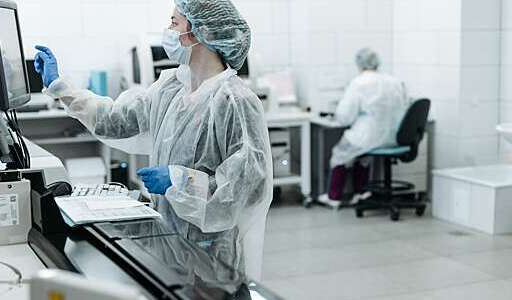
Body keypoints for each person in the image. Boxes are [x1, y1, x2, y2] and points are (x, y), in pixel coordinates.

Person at [33, 0, 273, 280]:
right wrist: (60, 87)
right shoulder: (171, 88)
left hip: (212, 257)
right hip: (167, 242)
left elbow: (248, 186)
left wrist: (180, 180)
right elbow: (115, 120)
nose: (168, 31)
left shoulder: (235, 101)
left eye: (174, 22)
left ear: (196, 32)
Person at [317, 48, 410, 209]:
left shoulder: (359, 82)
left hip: (369, 136)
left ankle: (334, 196)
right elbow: (404, 105)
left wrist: (335, 116)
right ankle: (361, 192)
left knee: (341, 153)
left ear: (359, 64)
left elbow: (345, 115)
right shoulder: (393, 81)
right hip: (393, 137)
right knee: (363, 156)